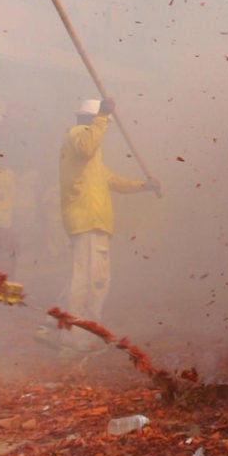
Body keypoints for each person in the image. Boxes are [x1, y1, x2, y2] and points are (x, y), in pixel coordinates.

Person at [35, 97, 160, 352]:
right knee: (92, 282)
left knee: (82, 277)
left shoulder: (88, 157)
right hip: (88, 219)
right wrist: (103, 116)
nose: (105, 131)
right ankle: (77, 340)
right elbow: (87, 146)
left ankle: (51, 326)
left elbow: (111, 180)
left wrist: (143, 186)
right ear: (91, 119)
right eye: (102, 124)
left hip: (90, 221)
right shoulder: (78, 135)